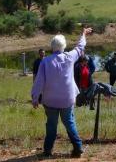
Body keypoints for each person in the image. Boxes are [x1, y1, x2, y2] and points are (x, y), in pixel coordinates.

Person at [31, 27, 92, 158]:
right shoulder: (70, 57)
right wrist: (83, 34)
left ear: (52, 47)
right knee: (69, 122)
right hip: (67, 99)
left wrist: (35, 97)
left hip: (50, 100)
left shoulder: (45, 62)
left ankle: (47, 151)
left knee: (51, 125)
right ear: (63, 46)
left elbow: (39, 81)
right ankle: (78, 148)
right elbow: (80, 47)